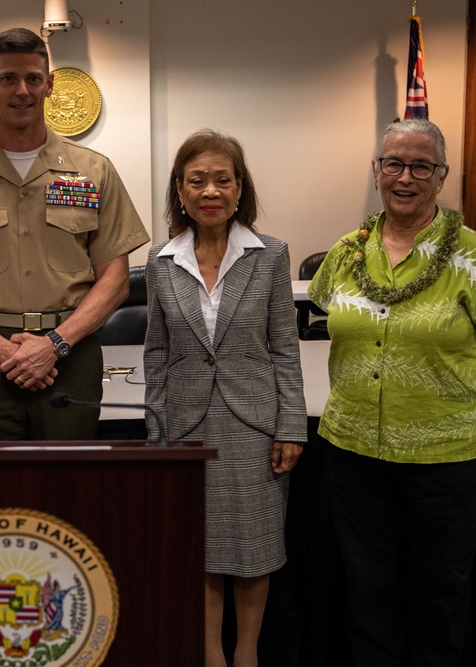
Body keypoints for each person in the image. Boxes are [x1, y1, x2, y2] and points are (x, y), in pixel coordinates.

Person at [308, 118, 476, 666]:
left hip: (445, 457)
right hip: (353, 451)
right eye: (393, 163)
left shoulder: (475, 254)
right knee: (368, 589)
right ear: (377, 172)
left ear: (441, 176)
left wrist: (440, 401)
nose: (405, 176)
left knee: (439, 593)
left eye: (420, 165)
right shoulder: (346, 253)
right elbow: (328, 316)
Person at [0, 27, 149, 441]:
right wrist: (2, 351)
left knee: (69, 486)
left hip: (70, 353)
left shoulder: (93, 171)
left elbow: (116, 280)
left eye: (34, 78)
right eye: (8, 79)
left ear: (49, 85)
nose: (22, 90)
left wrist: (53, 344)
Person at [144, 130, 306, 667]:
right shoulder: (161, 262)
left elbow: (285, 348)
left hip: (255, 424)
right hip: (186, 424)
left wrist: (291, 427)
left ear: (240, 189)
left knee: (253, 547)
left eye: (222, 179)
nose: (210, 190)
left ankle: (247, 655)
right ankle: (210, 654)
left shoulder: (271, 255)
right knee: (203, 550)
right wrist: (156, 432)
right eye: (197, 180)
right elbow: (157, 354)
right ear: (181, 191)